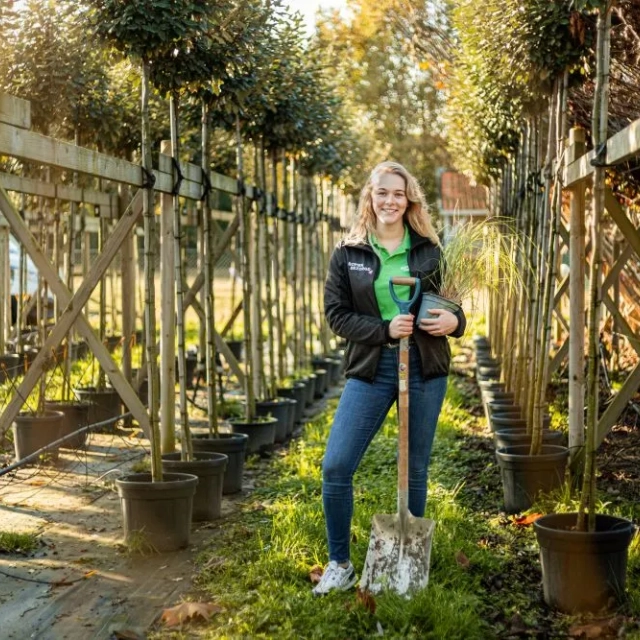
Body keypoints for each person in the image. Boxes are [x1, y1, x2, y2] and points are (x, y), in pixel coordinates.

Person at [312, 161, 466, 596]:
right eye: (382, 193)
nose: (390, 201)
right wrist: (383, 331)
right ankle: (339, 563)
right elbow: (336, 316)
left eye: (398, 194)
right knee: (336, 465)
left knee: (415, 467)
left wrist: (453, 324)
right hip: (371, 368)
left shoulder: (429, 251)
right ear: (370, 197)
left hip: (424, 367)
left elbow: (456, 310)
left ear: (409, 199)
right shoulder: (349, 252)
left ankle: (405, 561)